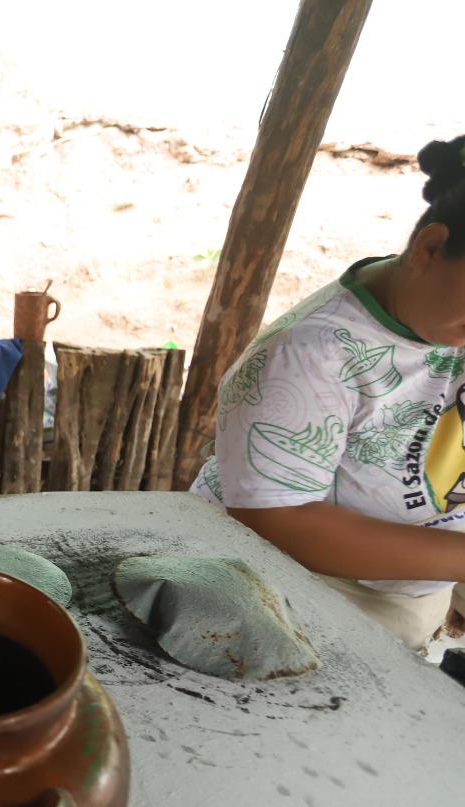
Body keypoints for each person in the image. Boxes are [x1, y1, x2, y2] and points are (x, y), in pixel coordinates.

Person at [192, 135, 465, 651]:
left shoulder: (443, 317)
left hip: (411, 595)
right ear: (430, 248)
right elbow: (279, 518)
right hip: (279, 596)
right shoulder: (311, 354)